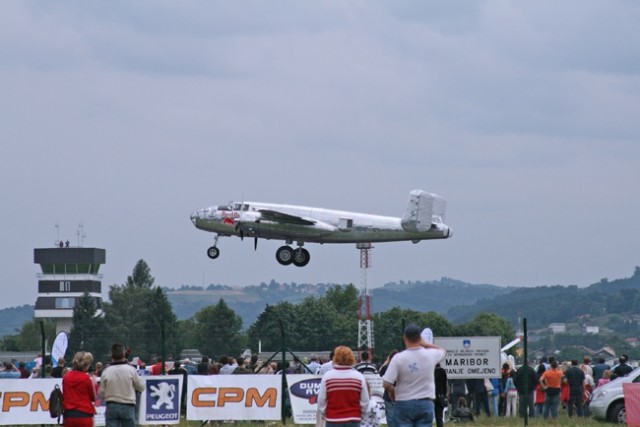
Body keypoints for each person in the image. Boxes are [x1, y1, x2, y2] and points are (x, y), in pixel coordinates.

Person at [382, 324, 446, 427]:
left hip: (404, 402)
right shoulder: (430, 355)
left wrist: (392, 391)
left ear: (405, 338)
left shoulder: (398, 358)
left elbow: (386, 383)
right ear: (420, 337)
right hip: (425, 402)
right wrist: (425, 343)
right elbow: (442, 351)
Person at [317, 345, 369, 427]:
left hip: (333, 419)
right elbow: (365, 401)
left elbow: (321, 400)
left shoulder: (327, 377)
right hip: (353, 419)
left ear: (335, 358)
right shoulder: (359, 377)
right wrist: (360, 413)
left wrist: (325, 412)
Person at [100, 343, 145, 427]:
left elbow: (101, 393)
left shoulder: (106, 371)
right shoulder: (131, 370)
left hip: (111, 405)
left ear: (111, 354)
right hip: (128, 405)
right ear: (124, 354)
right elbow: (141, 387)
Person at [62, 352, 96, 427]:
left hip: (69, 414)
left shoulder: (66, 377)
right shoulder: (87, 378)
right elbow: (93, 397)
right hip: (84, 413)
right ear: (86, 365)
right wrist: (95, 384)